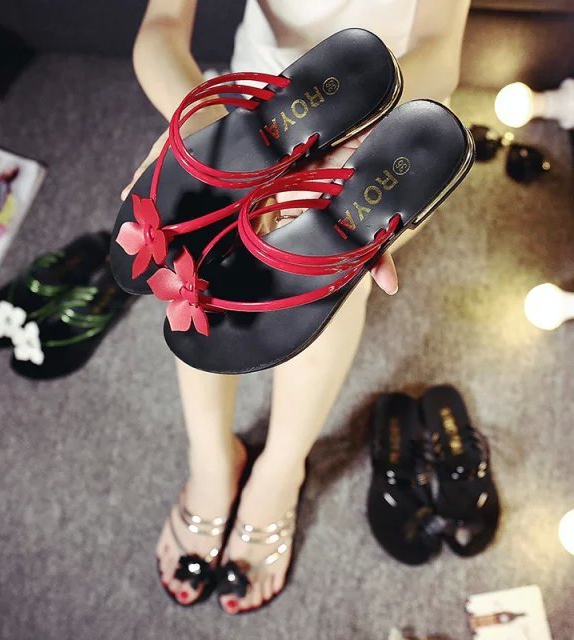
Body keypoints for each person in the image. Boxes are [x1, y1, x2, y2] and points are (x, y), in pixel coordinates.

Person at [122, 0, 470, 614]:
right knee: (203, 257)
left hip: (395, 126)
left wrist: (348, 142)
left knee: (330, 274)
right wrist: (203, 126)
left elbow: (440, 50)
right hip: (273, 99)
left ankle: (280, 470)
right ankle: (211, 458)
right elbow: (162, 27)